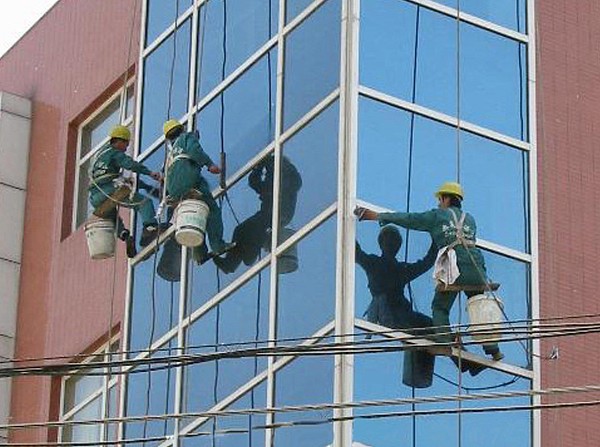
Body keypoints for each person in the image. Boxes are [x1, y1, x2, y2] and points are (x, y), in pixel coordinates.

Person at [355, 181, 504, 361]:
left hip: (455, 270)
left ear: (446, 198)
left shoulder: (437, 216)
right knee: (478, 304)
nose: (439, 204)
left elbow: (409, 219)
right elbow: (449, 248)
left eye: (440, 200)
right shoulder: (470, 219)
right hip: (476, 268)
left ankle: (443, 343)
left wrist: (377, 216)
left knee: (440, 307)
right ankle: (493, 348)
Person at [214, 153, 302, 273]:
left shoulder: (285, 176)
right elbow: (256, 184)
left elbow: (259, 184)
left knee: (243, 230)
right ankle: (243, 258)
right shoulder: (285, 176)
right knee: (246, 231)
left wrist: (261, 166)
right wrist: (260, 167)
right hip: (273, 213)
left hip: (275, 213)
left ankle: (239, 260)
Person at [162, 119, 234, 256]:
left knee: (194, 213)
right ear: (181, 129)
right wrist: (209, 164)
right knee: (211, 210)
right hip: (189, 181)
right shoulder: (186, 137)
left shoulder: (171, 153)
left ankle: (198, 254)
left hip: (174, 189)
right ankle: (218, 245)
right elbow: (194, 150)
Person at [88, 124, 163, 255]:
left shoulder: (101, 154)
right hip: (109, 189)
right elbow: (130, 164)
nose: (126, 148)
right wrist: (150, 173)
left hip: (95, 197)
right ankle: (149, 228)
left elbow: (112, 176)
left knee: (113, 216)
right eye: (126, 144)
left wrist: (145, 186)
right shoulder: (114, 153)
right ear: (119, 141)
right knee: (144, 203)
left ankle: (124, 235)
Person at [356, 225, 436, 331]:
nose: (391, 243)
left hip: (401, 314)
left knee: (434, 327)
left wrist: (436, 236)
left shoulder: (398, 268)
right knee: (431, 328)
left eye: (394, 240)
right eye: (389, 239)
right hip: (391, 314)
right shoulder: (376, 264)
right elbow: (356, 253)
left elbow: (427, 262)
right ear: (382, 243)